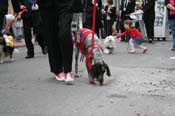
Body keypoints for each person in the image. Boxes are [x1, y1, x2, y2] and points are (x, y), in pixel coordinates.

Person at [37, 0, 74, 84]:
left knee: (64, 33)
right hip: (46, 4)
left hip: (65, 3)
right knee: (51, 36)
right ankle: (57, 69)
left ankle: (68, 71)